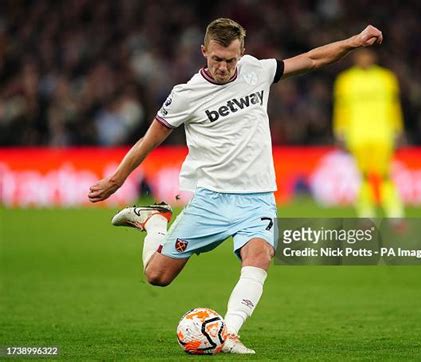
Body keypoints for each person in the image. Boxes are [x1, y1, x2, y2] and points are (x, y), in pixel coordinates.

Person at [88, 18, 383, 354]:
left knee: (260, 255)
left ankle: (229, 333)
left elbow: (312, 59)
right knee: (157, 276)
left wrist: (354, 42)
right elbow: (147, 141)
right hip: (210, 200)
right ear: (204, 52)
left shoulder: (256, 71)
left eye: (230, 59)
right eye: (216, 59)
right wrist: (116, 179)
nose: (224, 67)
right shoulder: (185, 95)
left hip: (257, 198)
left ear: (241, 53)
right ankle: (155, 221)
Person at [333, 48, 404, 218]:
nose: (364, 58)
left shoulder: (387, 78)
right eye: (361, 55)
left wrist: (398, 129)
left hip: (383, 133)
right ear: (356, 57)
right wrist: (339, 132)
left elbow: (394, 107)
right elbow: (341, 109)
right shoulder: (345, 80)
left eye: (368, 55)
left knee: (384, 174)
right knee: (363, 176)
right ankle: (366, 215)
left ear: (374, 56)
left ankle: (395, 214)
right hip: (357, 135)